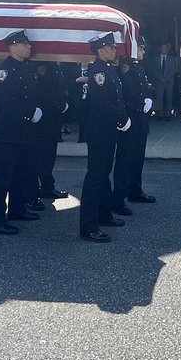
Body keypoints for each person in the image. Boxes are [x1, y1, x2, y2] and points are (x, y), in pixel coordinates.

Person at [0, 30, 43, 234]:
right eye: (25, 44)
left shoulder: (27, 68)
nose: (29, 47)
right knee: (1, 179)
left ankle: (17, 210)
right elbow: (6, 101)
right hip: (5, 134)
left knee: (21, 174)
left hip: (23, 133)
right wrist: (30, 113)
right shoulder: (4, 70)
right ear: (13, 47)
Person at [79, 32, 130, 243]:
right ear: (101, 50)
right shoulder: (98, 72)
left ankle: (104, 214)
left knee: (103, 174)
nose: (114, 50)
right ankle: (88, 226)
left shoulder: (107, 70)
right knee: (95, 177)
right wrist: (122, 119)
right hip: (100, 131)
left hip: (107, 131)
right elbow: (102, 103)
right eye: (110, 47)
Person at [115, 38, 156, 212]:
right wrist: (141, 104)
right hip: (130, 121)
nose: (144, 51)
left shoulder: (138, 66)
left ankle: (135, 190)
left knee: (138, 158)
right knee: (125, 160)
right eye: (141, 48)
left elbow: (142, 89)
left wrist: (149, 100)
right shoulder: (125, 66)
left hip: (141, 121)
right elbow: (126, 94)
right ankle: (118, 198)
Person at [34, 61, 71, 201]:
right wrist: (58, 104)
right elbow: (43, 90)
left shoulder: (54, 64)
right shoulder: (43, 63)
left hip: (53, 117)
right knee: (42, 155)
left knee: (49, 154)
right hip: (45, 117)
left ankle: (47, 186)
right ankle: (40, 188)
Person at [151, 41, 177, 121]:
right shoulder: (155, 59)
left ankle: (168, 114)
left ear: (167, 50)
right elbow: (154, 70)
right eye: (162, 48)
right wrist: (160, 78)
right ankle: (160, 114)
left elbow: (173, 70)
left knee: (169, 98)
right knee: (159, 99)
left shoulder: (171, 59)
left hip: (169, 82)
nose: (164, 50)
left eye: (165, 48)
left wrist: (166, 79)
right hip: (159, 82)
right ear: (160, 49)